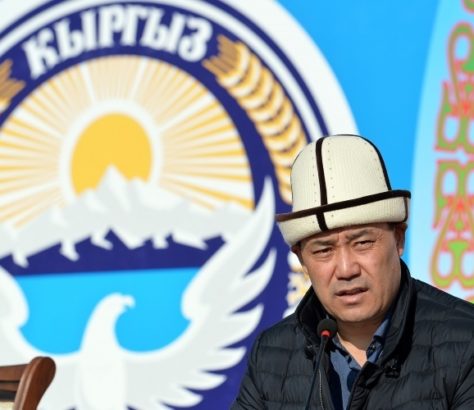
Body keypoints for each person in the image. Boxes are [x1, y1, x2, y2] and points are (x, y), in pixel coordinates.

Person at [231, 134, 474, 409]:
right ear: (301, 259)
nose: (346, 269)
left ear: (399, 239)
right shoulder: (271, 354)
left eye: (362, 243)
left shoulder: (466, 341)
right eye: (324, 250)